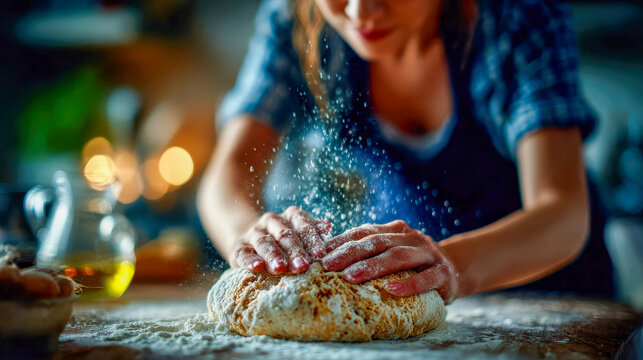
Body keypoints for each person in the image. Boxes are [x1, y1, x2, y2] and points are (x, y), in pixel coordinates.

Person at [197, 0, 613, 303]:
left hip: (554, 299)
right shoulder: (291, 17)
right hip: (406, 293)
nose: (361, 12)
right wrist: (249, 238)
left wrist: (451, 265)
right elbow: (225, 177)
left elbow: (563, 213)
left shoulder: (520, 16)